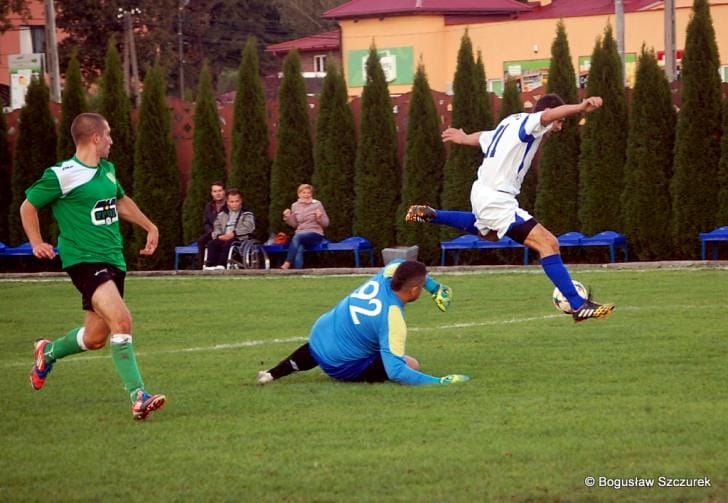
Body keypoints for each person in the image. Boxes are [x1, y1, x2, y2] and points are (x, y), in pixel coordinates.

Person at [405, 94, 615, 323]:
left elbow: (483, 138)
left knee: (492, 234)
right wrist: (581, 107)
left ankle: (432, 214)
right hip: (497, 199)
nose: (560, 126)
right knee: (549, 243)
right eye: (561, 121)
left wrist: (463, 138)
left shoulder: (509, 122)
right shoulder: (531, 122)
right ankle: (578, 304)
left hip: (482, 193)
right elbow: (547, 115)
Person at [20, 112, 165, 420]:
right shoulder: (63, 174)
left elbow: (120, 201)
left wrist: (150, 226)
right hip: (84, 260)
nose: (112, 139)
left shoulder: (107, 169)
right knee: (122, 321)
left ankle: (48, 352)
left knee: (95, 337)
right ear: (95, 138)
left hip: (113, 258)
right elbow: (28, 205)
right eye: (108, 134)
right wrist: (36, 242)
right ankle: (139, 396)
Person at [257, 259, 469, 385]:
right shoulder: (392, 317)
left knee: (341, 335)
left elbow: (400, 263)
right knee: (411, 364)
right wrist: (438, 382)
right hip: (339, 366)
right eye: (422, 286)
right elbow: (396, 371)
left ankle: (272, 374)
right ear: (414, 290)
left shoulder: (386, 273)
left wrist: (434, 288)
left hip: (319, 335)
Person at [203, 188, 255, 270]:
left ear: (241, 201)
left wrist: (233, 234)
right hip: (223, 236)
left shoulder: (247, 214)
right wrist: (219, 235)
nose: (234, 204)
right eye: (232, 201)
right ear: (227, 202)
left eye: (236, 201)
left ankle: (222, 264)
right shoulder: (222, 214)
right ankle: (211, 265)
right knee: (212, 243)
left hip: (239, 238)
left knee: (230, 243)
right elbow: (217, 226)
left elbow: (248, 227)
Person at [280, 184, 329, 270]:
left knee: (297, 237)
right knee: (299, 246)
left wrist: (319, 218)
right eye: (304, 193)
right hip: (300, 234)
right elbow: (295, 224)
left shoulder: (317, 204)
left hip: (315, 234)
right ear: (299, 194)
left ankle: (287, 263)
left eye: (308, 193)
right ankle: (297, 272)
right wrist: (287, 217)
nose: (306, 195)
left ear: (311, 194)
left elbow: (326, 223)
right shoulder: (295, 205)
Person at [196, 181, 227, 269]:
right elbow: (206, 223)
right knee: (201, 240)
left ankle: (216, 264)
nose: (218, 193)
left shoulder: (229, 205)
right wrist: (212, 232)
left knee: (214, 243)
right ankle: (201, 266)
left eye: (220, 191)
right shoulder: (209, 206)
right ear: (211, 193)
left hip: (226, 232)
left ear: (224, 191)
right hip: (213, 232)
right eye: (215, 191)